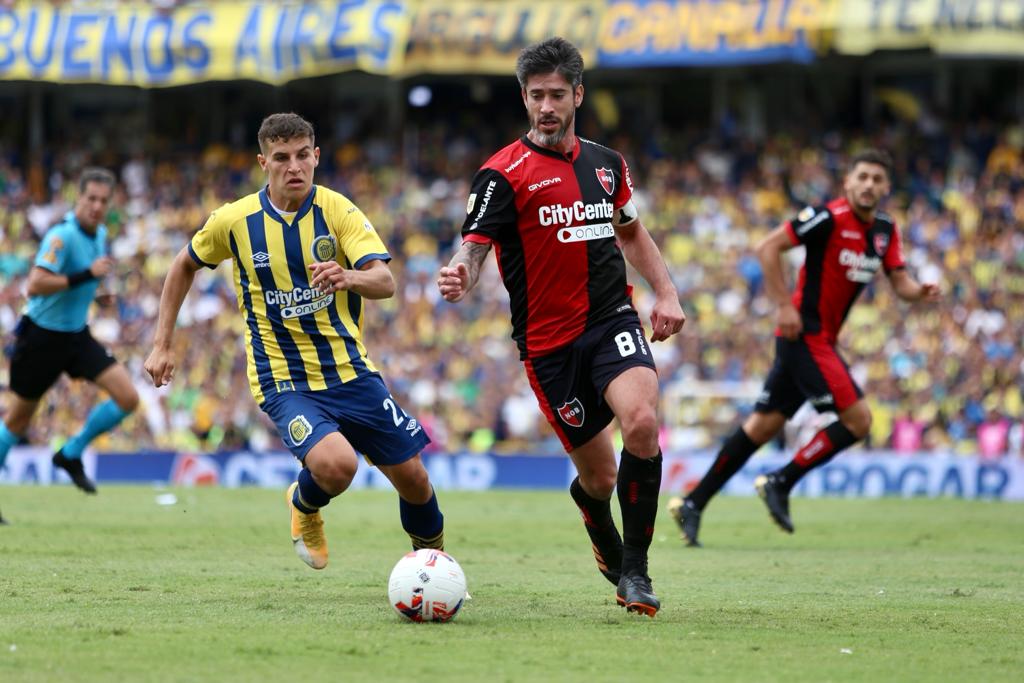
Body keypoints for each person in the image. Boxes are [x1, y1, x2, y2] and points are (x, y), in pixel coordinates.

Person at [437, 37, 685, 616]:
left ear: (577, 94)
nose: (545, 106)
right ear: (524, 98)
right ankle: (595, 514)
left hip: (611, 318)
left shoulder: (607, 164)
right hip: (548, 346)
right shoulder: (501, 174)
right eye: (535, 96)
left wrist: (667, 292)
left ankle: (636, 572)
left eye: (555, 95)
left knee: (642, 422)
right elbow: (475, 247)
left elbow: (630, 230)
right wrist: (461, 272)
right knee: (599, 479)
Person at [144, 113, 444, 569]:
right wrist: (162, 343)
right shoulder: (235, 220)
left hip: (350, 370)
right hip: (283, 378)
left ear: (316, 156)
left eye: (303, 155)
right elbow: (183, 265)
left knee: (415, 479)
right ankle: (304, 504)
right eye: (282, 158)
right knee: (338, 466)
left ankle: (434, 569)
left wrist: (348, 276)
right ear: (263, 162)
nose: (294, 167)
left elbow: (385, 281)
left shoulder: (338, 210)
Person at [668, 149, 941, 546]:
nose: (869, 184)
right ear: (848, 182)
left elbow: (900, 283)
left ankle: (693, 503)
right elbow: (768, 247)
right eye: (862, 176)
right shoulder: (826, 217)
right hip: (804, 335)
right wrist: (783, 305)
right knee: (859, 421)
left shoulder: (885, 230)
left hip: (820, 340)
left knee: (761, 427)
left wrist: (920, 292)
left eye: (877, 179)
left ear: (886, 187)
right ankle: (781, 481)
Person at [0, 168, 139, 511]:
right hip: (41, 338)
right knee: (18, 420)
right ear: (79, 198)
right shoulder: (61, 236)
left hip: (76, 336)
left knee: (128, 397)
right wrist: (86, 276)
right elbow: (35, 284)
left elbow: (81, 283)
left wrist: (96, 295)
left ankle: (70, 453)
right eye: (91, 198)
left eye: (103, 201)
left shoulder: (100, 234)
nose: (96, 206)